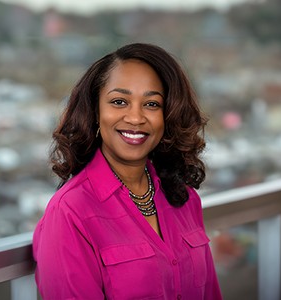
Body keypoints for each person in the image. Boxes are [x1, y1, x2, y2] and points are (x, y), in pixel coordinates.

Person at [33, 42, 222, 299]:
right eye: (119, 101)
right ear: (95, 111)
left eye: (152, 104)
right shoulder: (70, 211)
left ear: (168, 116)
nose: (135, 118)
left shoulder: (185, 198)